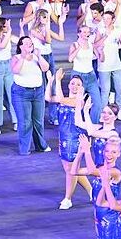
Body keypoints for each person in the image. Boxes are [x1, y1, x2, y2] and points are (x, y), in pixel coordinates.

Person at [46, 69, 93, 210]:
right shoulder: (65, 98)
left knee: (71, 169)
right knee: (72, 168)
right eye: (72, 83)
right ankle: (91, 191)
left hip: (74, 138)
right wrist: (50, 82)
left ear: (82, 87)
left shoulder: (82, 100)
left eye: (78, 84)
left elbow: (60, 99)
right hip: (63, 137)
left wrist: (58, 80)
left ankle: (68, 198)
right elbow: (48, 98)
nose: (74, 86)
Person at [10, 35, 51, 155]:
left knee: (38, 121)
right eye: (26, 43)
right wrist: (24, 57)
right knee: (25, 122)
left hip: (37, 92)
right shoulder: (16, 58)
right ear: (20, 46)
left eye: (31, 43)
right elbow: (15, 70)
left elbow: (46, 68)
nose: (29, 44)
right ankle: (24, 149)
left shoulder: (36, 57)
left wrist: (38, 56)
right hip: (21, 94)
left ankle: (40, 145)